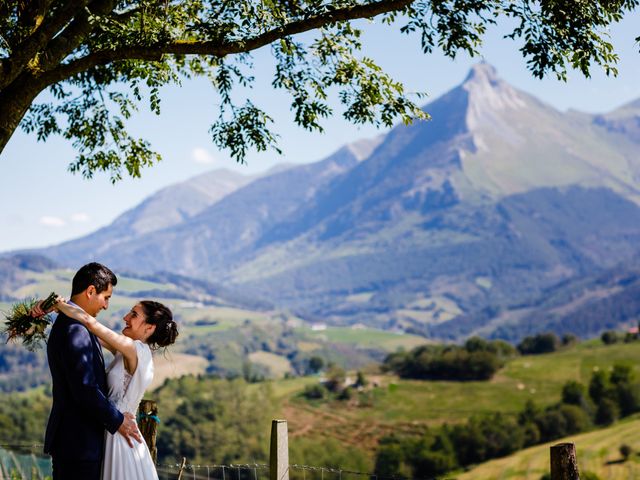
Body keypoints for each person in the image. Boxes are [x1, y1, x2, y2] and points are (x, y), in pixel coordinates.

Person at [52, 296, 178, 480]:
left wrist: (60, 304)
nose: (126, 317)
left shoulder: (134, 349)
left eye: (134, 314)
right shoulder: (128, 350)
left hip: (119, 436)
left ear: (149, 328)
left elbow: (89, 322)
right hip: (113, 428)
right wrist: (62, 311)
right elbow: (88, 330)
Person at [38, 262, 142, 480]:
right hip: (77, 443)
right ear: (91, 291)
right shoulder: (75, 330)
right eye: (106, 297)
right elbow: (85, 388)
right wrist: (119, 421)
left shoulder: (78, 326)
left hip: (80, 443)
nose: (106, 306)